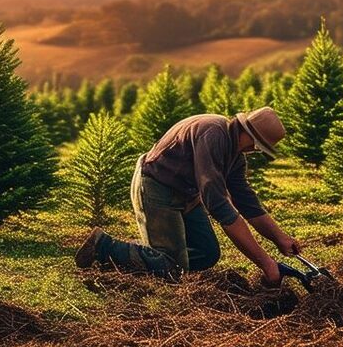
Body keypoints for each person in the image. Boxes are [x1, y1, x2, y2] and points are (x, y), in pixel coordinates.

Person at [74, 107, 300, 286]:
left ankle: (145, 257)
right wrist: (266, 263)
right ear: (249, 135)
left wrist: (279, 238)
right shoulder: (213, 134)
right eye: (258, 145)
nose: (255, 150)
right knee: (172, 268)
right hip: (156, 186)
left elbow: (247, 203)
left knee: (207, 253)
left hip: (185, 195)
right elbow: (219, 205)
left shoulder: (235, 155)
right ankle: (102, 246)